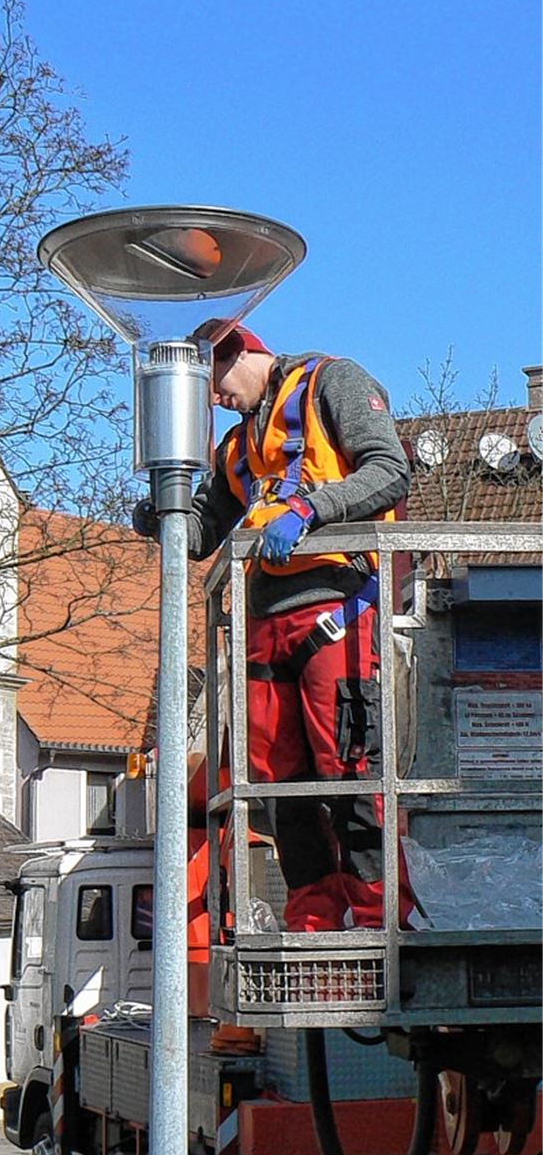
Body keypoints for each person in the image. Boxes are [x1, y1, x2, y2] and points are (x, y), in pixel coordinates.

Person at [134, 321, 416, 933]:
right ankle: (313, 918)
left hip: (335, 605)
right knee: (277, 778)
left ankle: (380, 920)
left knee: (348, 767)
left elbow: (389, 469)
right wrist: (163, 511)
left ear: (241, 352)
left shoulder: (331, 382)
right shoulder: (239, 447)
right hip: (263, 620)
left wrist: (312, 509)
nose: (215, 399)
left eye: (214, 382)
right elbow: (203, 532)